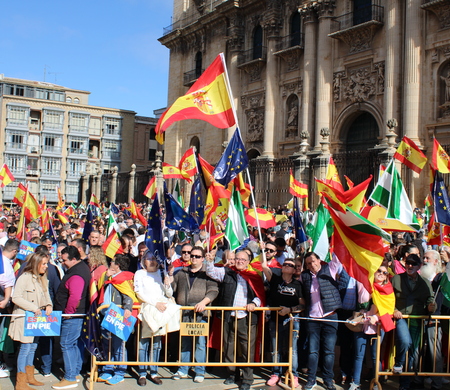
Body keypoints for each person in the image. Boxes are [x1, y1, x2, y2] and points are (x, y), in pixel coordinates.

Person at [206, 250, 265, 390]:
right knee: (228, 347)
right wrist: (209, 261)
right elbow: (211, 272)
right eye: (237, 258)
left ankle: (247, 378)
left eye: (243, 260)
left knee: (247, 350)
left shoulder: (254, 275)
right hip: (228, 316)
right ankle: (232, 374)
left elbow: (260, 295)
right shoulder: (227, 272)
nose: (239, 261)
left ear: (248, 261)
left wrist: (254, 304)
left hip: (247, 318)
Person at [172, 246, 218, 383]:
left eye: (197, 256)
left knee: (200, 343)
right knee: (185, 343)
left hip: (201, 314)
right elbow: (171, 289)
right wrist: (168, 279)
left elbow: (213, 291)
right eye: (192, 255)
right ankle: (183, 369)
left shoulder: (208, 273)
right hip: (185, 313)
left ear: (202, 258)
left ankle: (199, 371)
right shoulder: (181, 272)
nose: (193, 258)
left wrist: (204, 302)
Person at [9, 252, 52, 390]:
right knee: (25, 348)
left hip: (37, 320)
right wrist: (33, 308)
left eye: (47, 263)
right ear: (36, 263)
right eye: (44, 263)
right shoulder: (24, 277)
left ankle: (29, 376)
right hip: (24, 318)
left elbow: (46, 294)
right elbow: (16, 297)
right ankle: (20, 382)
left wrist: (49, 305)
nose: (46, 266)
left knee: (33, 347)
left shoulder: (42, 278)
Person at [391, 253, 435, 390]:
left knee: (411, 351)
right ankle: (398, 363)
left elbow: (430, 300)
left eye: (413, 264)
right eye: (408, 263)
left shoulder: (425, 282)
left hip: (417, 319)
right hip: (401, 318)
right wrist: (394, 309)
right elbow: (388, 297)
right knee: (405, 341)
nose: (410, 266)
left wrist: (431, 307)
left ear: (419, 266)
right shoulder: (397, 279)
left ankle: (404, 384)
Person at [301, 252, 342, 390]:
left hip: (330, 316)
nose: (312, 265)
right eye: (308, 263)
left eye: (313, 261)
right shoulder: (304, 276)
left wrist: (337, 235)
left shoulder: (329, 269)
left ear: (319, 260)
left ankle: (328, 380)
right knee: (313, 351)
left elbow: (338, 256)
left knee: (329, 351)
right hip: (313, 318)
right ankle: (311, 379)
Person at [261, 257, 304, 388]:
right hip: (275, 319)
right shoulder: (275, 280)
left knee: (293, 350)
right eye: (285, 264)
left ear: (294, 269)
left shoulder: (298, 285)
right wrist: (263, 250)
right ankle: (275, 373)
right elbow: (264, 267)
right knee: (276, 349)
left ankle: (294, 374)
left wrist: (289, 310)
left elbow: (302, 305)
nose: (286, 266)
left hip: (292, 320)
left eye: (290, 265)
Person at [52, 246, 91, 390]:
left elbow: (75, 297)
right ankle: (73, 372)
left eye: (65, 260)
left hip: (73, 316)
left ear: (73, 259)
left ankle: (69, 377)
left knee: (66, 344)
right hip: (75, 315)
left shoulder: (77, 274)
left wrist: (68, 313)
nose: (63, 263)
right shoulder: (79, 269)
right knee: (73, 344)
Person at [97, 254, 138, 386]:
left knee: (118, 345)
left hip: (117, 316)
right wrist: (105, 276)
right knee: (106, 344)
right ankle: (107, 369)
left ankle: (119, 372)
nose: (110, 263)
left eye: (113, 262)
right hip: (105, 315)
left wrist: (127, 308)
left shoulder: (123, 279)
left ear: (118, 265)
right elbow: (98, 287)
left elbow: (128, 295)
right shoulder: (109, 277)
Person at [349, 265, 391, 390]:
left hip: (377, 325)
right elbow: (361, 301)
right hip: (362, 322)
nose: (382, 274)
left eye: (385, 273)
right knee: (359, 355)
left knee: (375, 356)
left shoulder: (388, 290)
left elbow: (388, 309)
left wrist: (376, 317)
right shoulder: (364, 284)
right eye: (379, 271)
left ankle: (377, 382)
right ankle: (355, 382)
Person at [135, 251, 173, 386]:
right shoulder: (139, 274)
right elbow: (139, 292)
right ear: (144, 260)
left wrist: (168, 283)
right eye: (148, 258)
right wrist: (154, 303)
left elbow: (169, 293)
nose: (151, 261)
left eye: (153, 258)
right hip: (147, 310)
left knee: (157, 344)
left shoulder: (161, 273)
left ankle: (154, 371)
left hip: (160, 310)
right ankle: (142, 373)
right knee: (143, 343)